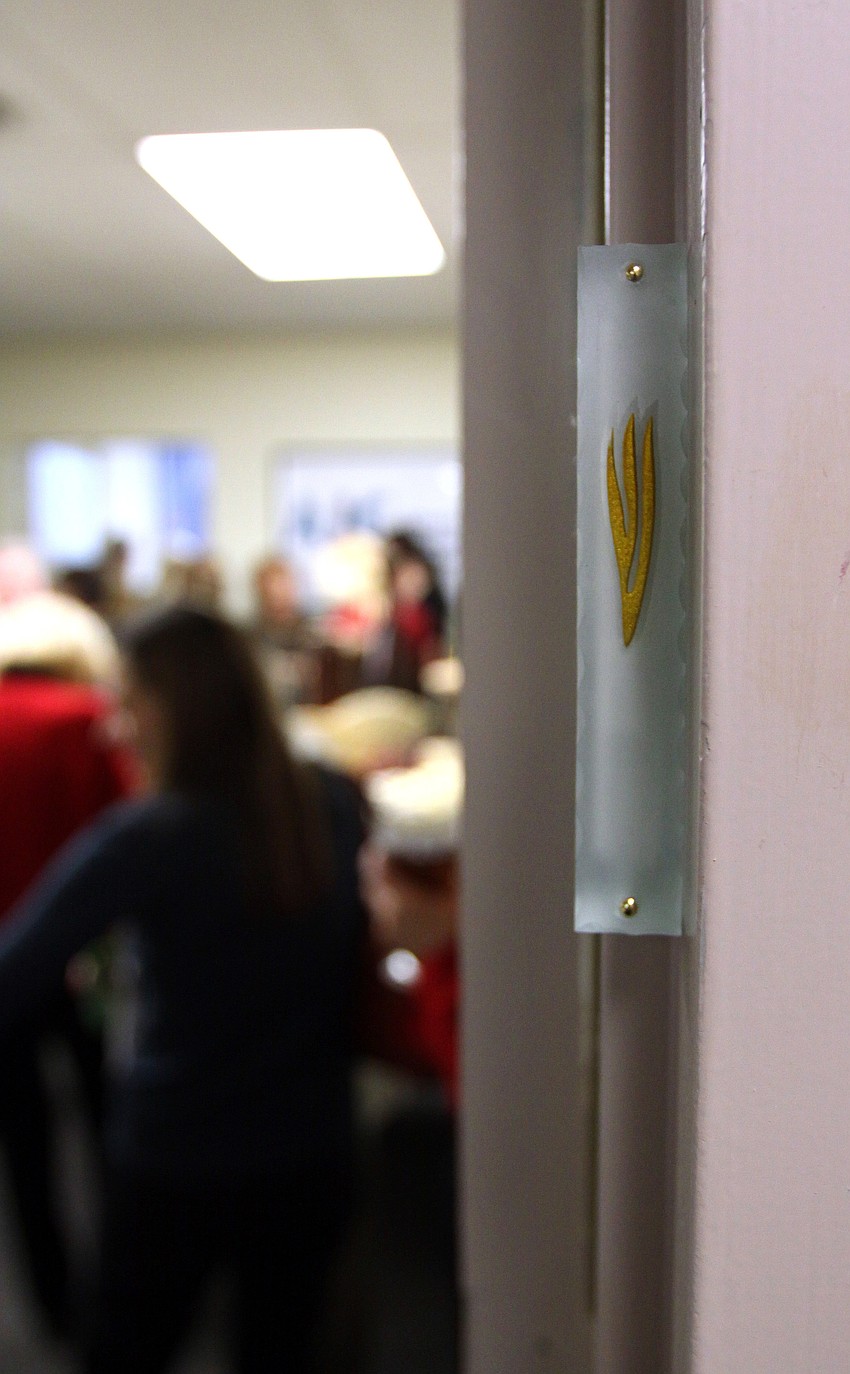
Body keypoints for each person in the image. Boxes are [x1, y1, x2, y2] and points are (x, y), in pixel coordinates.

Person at [0, 604, 366, 1373]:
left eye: (128, 703)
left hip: (179, 1157)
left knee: (126, 1353)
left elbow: (15, 972)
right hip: (313, 1147)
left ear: (175, 709)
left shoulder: (151, 837)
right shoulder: (328, 802)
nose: (113, 728)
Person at [0, 559, 135, 1341]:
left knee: (23, 1143)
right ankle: (119, 1286)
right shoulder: (86, 717)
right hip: (81, 957)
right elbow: (126, 834)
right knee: (104, 1117)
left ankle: (50, 1308)